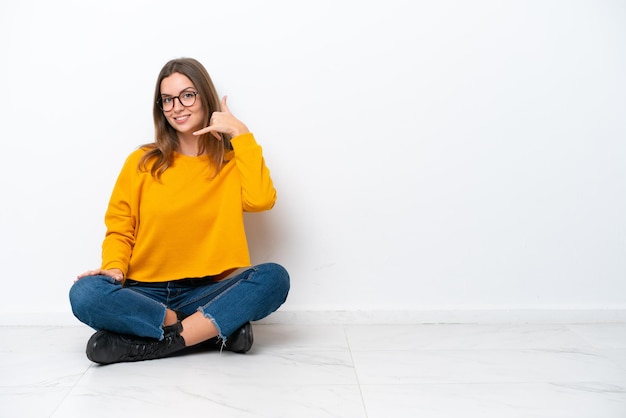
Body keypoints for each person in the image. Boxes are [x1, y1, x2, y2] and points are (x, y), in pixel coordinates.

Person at [69, 57, 290, 365]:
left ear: (204, 97)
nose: (177, 107)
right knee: (84, 293)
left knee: (274, 278)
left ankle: (156, 342)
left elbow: (262, 200)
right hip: (143, 292)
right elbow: (120, 226)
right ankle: (207, 330)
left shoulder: (231, 163)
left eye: (187, 95)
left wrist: (240, 133)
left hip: (204, 290)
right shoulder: (142, 162)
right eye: (167, 100)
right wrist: (114, 268)